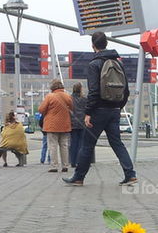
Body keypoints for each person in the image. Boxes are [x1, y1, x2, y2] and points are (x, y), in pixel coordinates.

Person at [63, 31, 135, 186]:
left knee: (87, 144)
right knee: (117, 143)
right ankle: (130, 174)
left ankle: (79, 177)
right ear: (106, 44)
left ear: (93, 45)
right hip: (114, 111)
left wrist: (88, 113)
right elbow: (126, 90)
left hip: (99, 111)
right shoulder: (119, 64)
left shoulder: (94, 64)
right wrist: (118, 107)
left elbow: (94, 91)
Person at [38, 79, 73, 173]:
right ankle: (65, 165)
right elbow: (72, 107)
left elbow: (41, 109)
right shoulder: (67, 96)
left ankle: (54, 166)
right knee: (64, 145)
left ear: (52, 87)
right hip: (65, 125)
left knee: (53, 146)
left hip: (52, 125)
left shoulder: (50, 96)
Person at [69, 82, 87, 167]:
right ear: (81, 89)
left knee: (73, 143)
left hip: (72, 123)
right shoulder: (84, 99)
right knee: (82, 144)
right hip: (82, 123)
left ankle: (72, 161)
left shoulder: (70, 99)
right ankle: (80, 161)